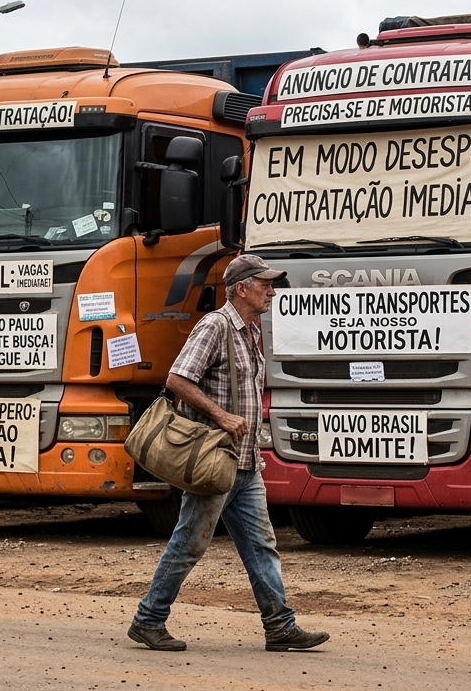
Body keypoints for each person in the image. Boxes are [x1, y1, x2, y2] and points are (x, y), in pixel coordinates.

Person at [128, 254, 330, 653]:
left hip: (245, 462)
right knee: (190, 543)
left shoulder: (250, 331)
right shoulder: (214, 326)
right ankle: (149, 620)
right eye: (265, 284)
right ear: (241, 288)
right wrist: (221, 416)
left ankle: (279, 626)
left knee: (261, 545)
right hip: (216, 461)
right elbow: (177, 379)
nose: (271, 291)